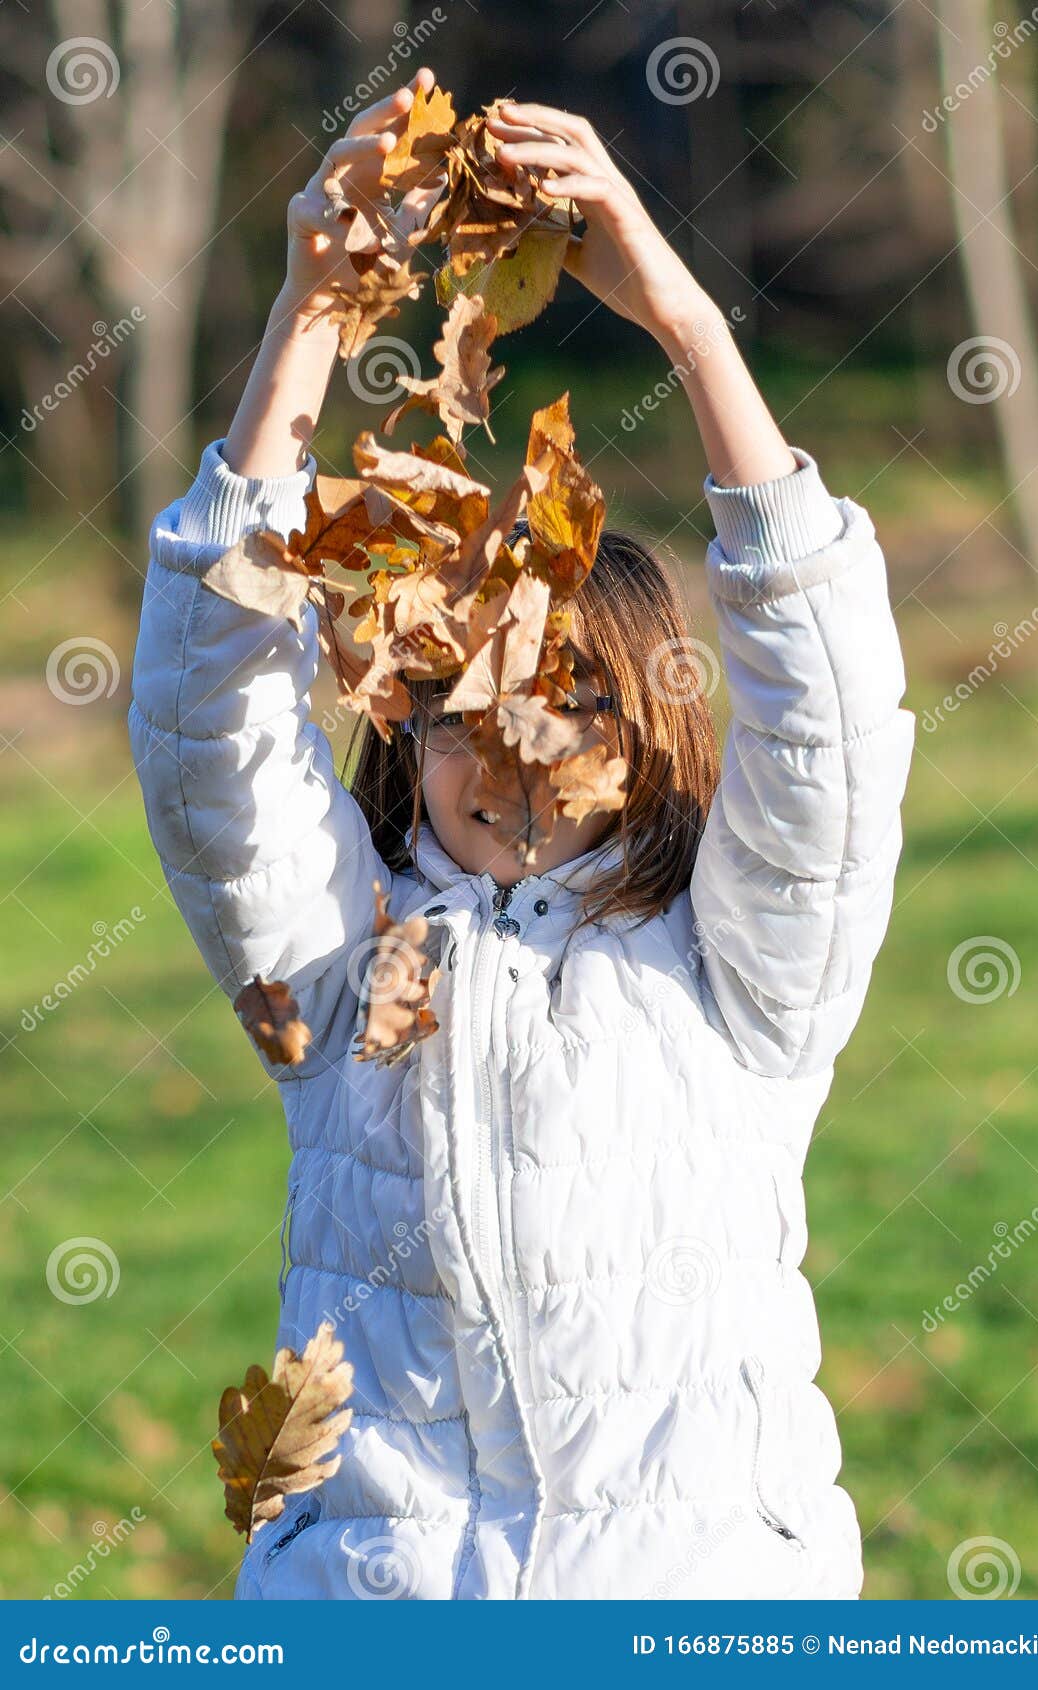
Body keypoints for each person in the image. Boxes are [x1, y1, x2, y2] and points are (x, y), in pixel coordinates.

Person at [129, 67, 915, 1600]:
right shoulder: (351, 972)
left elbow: (830, 727)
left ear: (656, 727)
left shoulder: (737, 977)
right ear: (400, 728)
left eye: (572, 710)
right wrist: (310, 321)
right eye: (462, 711)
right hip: (384, 1607)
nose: (513, 756)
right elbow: (205, 721)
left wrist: (687, 326)